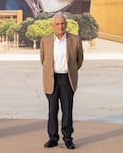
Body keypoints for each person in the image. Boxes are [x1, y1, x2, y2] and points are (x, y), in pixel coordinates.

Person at [40, 12, 83, 149]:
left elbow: (79, 60)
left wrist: (70, 71)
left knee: (67, 110)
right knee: (52, 110)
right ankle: (52, 138)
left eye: (63, 23)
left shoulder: (75, 39)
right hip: (51, 79)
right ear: (53, 26)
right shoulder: (45, 40)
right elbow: (43, 60)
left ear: (66, 24)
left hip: (67, 79)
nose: (60, 26)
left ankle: (68, 138)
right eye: (57, 24)